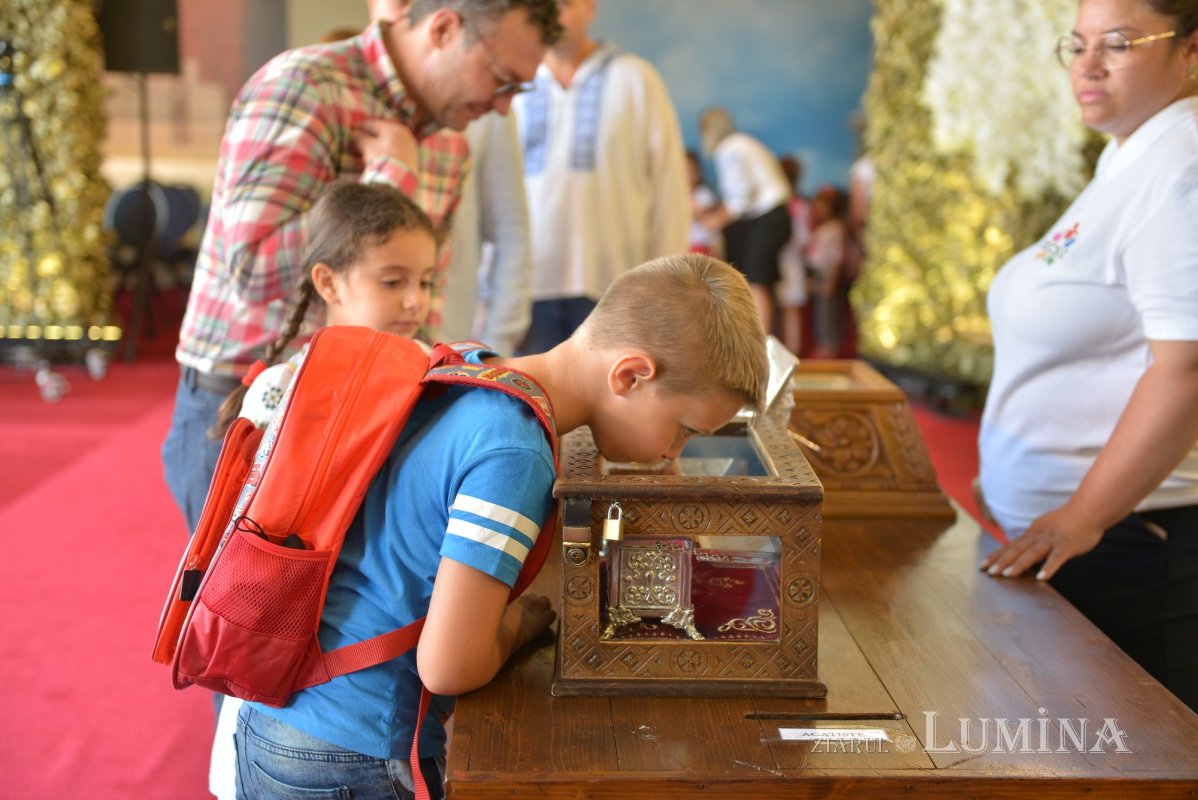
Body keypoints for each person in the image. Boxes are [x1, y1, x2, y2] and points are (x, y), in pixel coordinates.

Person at [231, 253, 768, 798]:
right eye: (681, 429)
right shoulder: (516, 452)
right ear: (629, 375)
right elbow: (448, 666)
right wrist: (518, 626)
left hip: (276, 715)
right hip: (351, 755)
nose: (675, 451)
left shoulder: (476, 367)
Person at [161, 0, 563, 540]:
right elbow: (252, 272)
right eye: (501, 81)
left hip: (360, 414)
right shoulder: (304, 87)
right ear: (443, 28)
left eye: (517, 91)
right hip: (245, 410)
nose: (501, 109)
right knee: (237, 615)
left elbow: (421, 298)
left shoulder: (448, 140)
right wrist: (389, 182)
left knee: (336, 618)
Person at [978, 0, 1198, 712]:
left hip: (1136, 547)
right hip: (1086, 544)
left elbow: (1187, 368)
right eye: (1077, 44)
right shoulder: (1131, 157)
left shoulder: (1183, 165)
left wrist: (1082, 513)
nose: (1088, 65)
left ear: (1191, 52)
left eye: (1121, 44)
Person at [206, 180, 439, 800]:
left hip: (380, 675)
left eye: (426, 281)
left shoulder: (430, 375)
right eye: (392, 282)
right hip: (292, 677)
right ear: (329, 283)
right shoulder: (285, 390)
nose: (415, 300)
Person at [512, 0, 690, 354]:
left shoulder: (636, 78)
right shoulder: (515, 82)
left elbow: (670, 188)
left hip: (615, 287)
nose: (552, 12)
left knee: (611, 407)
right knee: (527, 406)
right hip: (525, 292)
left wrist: (663, 284)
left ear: (589, 6)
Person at [440, 112, 534, 354]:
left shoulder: (494, 110)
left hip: (449, 342)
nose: (504, 101)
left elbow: (511, 229)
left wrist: (497, 344)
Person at [697, 106, 793, 336]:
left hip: (768, 218)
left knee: (756, 283)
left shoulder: (728, 149)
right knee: (762, 283)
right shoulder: (743, 143)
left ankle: (759, 347)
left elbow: (739, 200)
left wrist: (712, 221)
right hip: (776, 216)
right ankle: (766, 343)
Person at [804, 185, 851, 359]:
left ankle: (829, 347)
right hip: (817, 273)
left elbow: (836, 257)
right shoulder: (822, 227)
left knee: (828, 313)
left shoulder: (836, 228)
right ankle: (823, 345)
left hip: (828, 274)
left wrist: (831, 280)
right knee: (819, 312)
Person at [775, 154, 811, 357]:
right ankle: (789, 351)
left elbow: (802, 237)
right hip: (790, 259)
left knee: (789, 308)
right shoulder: (798, 204)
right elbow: (805, 237)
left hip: (788, 259)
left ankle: (790, 352)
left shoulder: (791, 205)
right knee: (789, 309)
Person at [686, 149, 722, 257]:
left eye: (692, 171)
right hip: (688, 247)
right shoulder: (679, 197)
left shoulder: (703, 193)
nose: (689, 175)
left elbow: (711, 220)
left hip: (706, 246)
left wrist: (697, 211)